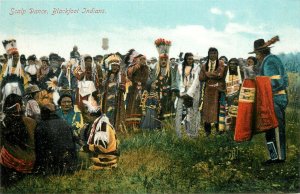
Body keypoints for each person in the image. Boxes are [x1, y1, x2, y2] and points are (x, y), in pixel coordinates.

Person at [249, 36, 288, 164]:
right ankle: (273, 156)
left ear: (261, 52)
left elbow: (275, 82)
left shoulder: (270, 61)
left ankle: (279, 158)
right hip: (271, 98)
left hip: (275, 98)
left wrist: (258, 82)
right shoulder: (268, 61)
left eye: (257, 54)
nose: (257, 56)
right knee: (269, 128)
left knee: (275, 127)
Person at [0, 94, 37, 186]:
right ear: (20, 106)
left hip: (10, 163)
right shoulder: (31, 121)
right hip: (29, 164)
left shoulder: (3, 124)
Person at [35, 103, 77, 174]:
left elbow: (39, 149)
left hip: (51, 168)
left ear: (44, 112)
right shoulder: (65, 123)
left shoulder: (41, 125)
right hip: (69, 165)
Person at [199, 47, 226, 136]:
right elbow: (201, 78)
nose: (213, 55)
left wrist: (207, 74)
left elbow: (219, 74)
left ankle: (219, 130)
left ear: (217, 54)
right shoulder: (204, 65)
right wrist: (211, 75)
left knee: (217, 110)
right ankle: (207, 131)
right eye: (211, 53)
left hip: (218, 90)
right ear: (208, 54)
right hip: (208, 90)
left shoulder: (221, 63)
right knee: (206, 110)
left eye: (215, 53)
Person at [149, 38, 177, 121]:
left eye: (165, 60)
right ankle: (158, 126)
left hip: (168, 94)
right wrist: (153, 85)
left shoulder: (171, 70)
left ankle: (168, 127)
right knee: (158, 111)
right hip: (157, 94)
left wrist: (174, 94)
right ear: (159, 60)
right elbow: (152, 81)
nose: (163, 61)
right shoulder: (155, 70)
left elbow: (174, 82)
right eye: (162, 60)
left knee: (168, 112)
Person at [174, 53, 201, 138]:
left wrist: (189, 94)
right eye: (189, 59)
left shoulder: (197, 67)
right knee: (179, 112)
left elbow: (196, 81)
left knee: (193, 113)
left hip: (193, 93)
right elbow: (178, 79)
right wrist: (180, 92)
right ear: (185, 59)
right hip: (181, 92)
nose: (190, 60)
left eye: (192, 59)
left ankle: (193, 134)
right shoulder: (180, 67)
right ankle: (178, 134)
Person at [124, 49, 149, 128]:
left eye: (144, 59)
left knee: (142, 105)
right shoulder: (132, 67)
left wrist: (142, 84)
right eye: (141, 59)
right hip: (133, 90)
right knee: (132, 105)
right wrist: (137, 66)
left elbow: (146, 78)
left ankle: (141, 124)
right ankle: (131, 124)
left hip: (143, 88)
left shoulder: (146, 68)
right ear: (137, 59)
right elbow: (129, 75)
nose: (143, 61)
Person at [101, 54, 126, 132]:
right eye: (113, 65)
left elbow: (124, 87)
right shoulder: (106, 76)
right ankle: (107, 128)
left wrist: (121, 87)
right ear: (109, 66)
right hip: (107, 100)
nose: (115, 67)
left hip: (117, 99)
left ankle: (116, 128)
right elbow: (102, 87)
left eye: (116, 65)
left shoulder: (120, 76)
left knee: (116, 113)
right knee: (108, 113)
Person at [0, 39, 29, 104]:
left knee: (23, 90)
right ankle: (1, 101)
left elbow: (24, 76)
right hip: (7, 79)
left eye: (17, 56)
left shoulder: (20, 66)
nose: (16, 58)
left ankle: (25, 103)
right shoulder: (6, 65)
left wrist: (26, 84)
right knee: (0, 87)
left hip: (18, 80)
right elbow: (2, 74)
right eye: (15, 56)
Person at [225, 58, 242, 131]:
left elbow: (242, 86)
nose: (232, 65)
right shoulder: (226, 74)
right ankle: (228, 131)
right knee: (227, 115)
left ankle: (236, 131)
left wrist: (238, 97)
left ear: (237, 65)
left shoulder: (240, 74)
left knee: (236, 115)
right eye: (231, 64)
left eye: (234, 64)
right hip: (227, 97)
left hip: (236, 97)